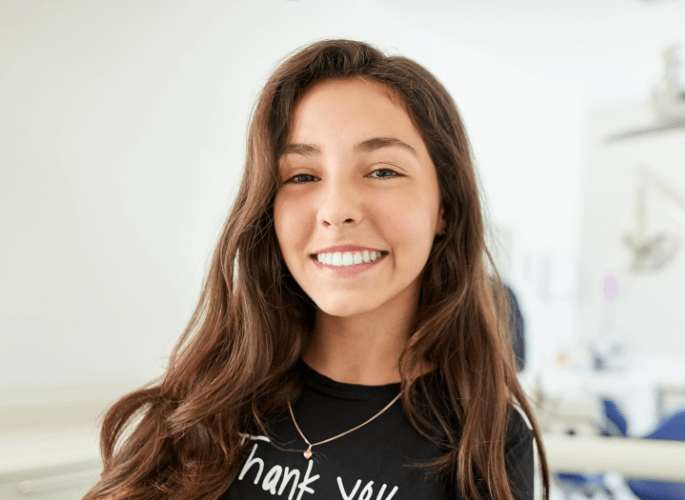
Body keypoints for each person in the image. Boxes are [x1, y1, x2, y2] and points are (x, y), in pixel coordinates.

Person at [83, 39, 549, 500]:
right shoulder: (201, 402)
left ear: (445, 206)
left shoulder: (486, 442)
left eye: (383, 171)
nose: (336, 210)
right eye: (302, 176)